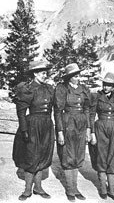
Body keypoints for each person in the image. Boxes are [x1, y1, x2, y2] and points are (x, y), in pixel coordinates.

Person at [12, 60, 55, 201]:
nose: (45, 75)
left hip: (47, 126)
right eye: (43, 73)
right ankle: (27, 190)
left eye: (46, 72)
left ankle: (38, 188)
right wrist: (24, 130)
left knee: (43, 155)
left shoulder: (49, 88)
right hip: (32, 126)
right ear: (35, 74)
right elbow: (21, 112)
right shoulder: (28, 88)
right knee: (31, 157)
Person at [54, 63, 91, 202]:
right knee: (68, 156)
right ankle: (70, 189)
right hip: (67, 122)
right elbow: (57, 111)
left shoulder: (83, 89)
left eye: (78, 75)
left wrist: (88, 128)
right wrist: (60, 131)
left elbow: (87, 109)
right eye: (75, 75)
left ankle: (75, 189)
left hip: (81, 124)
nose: (78, 77)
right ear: (69, 77)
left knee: (78, 156)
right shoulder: (62, 89)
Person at [88, 72, 114, 202]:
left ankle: (111, 189)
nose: (106, 87)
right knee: (101, 156)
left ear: (113, 87)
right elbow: (92, 115)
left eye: (109, 85)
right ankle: (103, 189)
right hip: (100, 128)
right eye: (105, 84)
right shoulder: (97, 97)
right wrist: (92, 132)